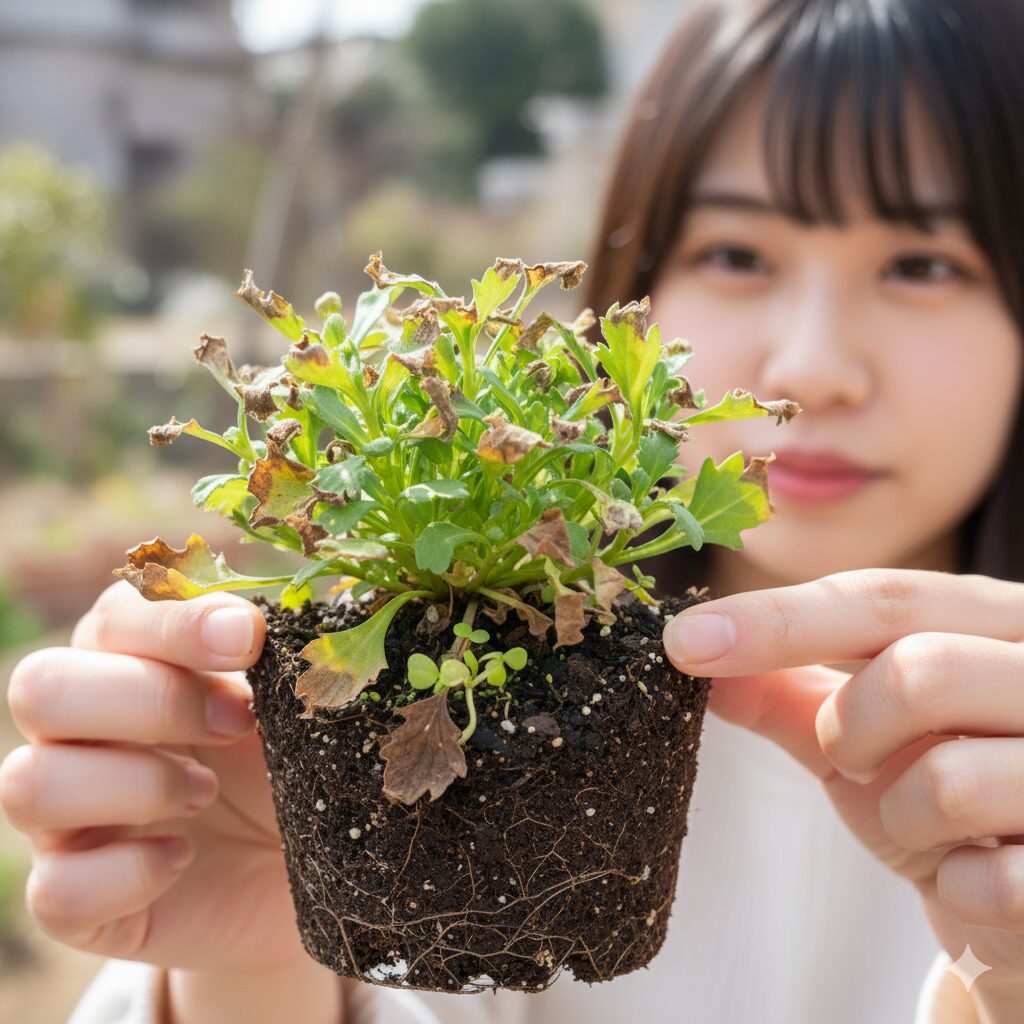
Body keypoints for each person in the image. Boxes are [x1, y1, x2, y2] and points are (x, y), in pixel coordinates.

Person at [2, 0, 1023, 1020]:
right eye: (737, 253)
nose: (811, 366)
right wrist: (250, 974)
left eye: (922, 265)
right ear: (638, 284)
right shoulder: (477, 701)